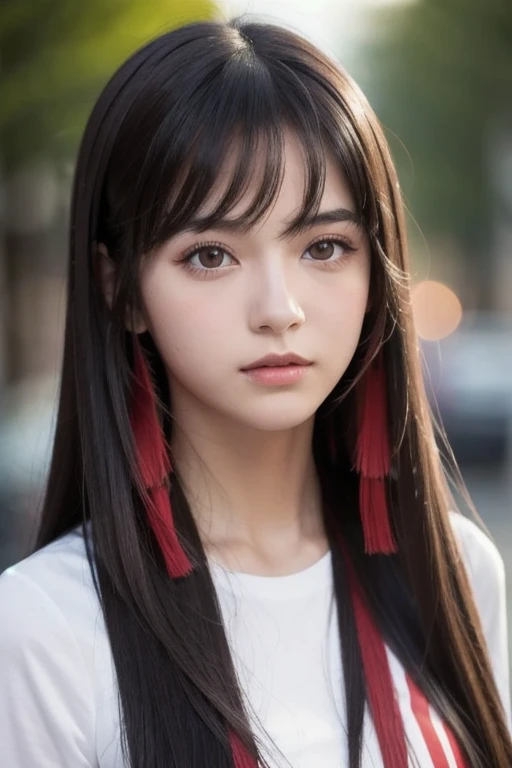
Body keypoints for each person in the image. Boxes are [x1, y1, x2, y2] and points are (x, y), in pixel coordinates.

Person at [0, 16, 510, 768]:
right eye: (211, 255)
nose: (280, 307)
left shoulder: (457, 576)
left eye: (324, 247)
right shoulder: (44, 628)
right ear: (122, 290)